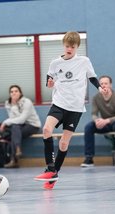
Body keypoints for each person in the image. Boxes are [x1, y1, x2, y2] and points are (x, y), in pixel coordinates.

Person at [33, 31, 106, 189]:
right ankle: (50, 168)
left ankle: (54, 175)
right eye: (67, 46)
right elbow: (49, 80)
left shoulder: (84, 61)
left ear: (77, 47)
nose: (69, 49)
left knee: (64, 143)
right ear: (63, 45)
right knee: (46, 129)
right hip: (59, 104)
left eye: (72, 47)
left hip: (75, 108)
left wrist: (100, 88)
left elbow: (92, 77)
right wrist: (50, 84)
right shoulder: (55, 63)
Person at [81, 75, 115, 167]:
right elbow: (94, 114)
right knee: (88, 127)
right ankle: (89, 158)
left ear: (110, 85)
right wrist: (97, 121)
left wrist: (106, 120)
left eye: (106, 83)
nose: (103, 85)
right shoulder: (96, 97)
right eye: (101, 83)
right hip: (105, 123)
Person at [0, 85, 41, 168]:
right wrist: (14, 106)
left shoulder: (27, 102)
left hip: (33, 125)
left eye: (16, 91)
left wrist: (4, 122)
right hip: (19, 126)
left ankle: (13, 160)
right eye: (11, 92)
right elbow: (13, 119)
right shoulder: (8, 103)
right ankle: (17, 149)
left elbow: (22, 119)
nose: (14, 93)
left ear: (20, 93)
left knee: (14, 133)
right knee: (15, 128)